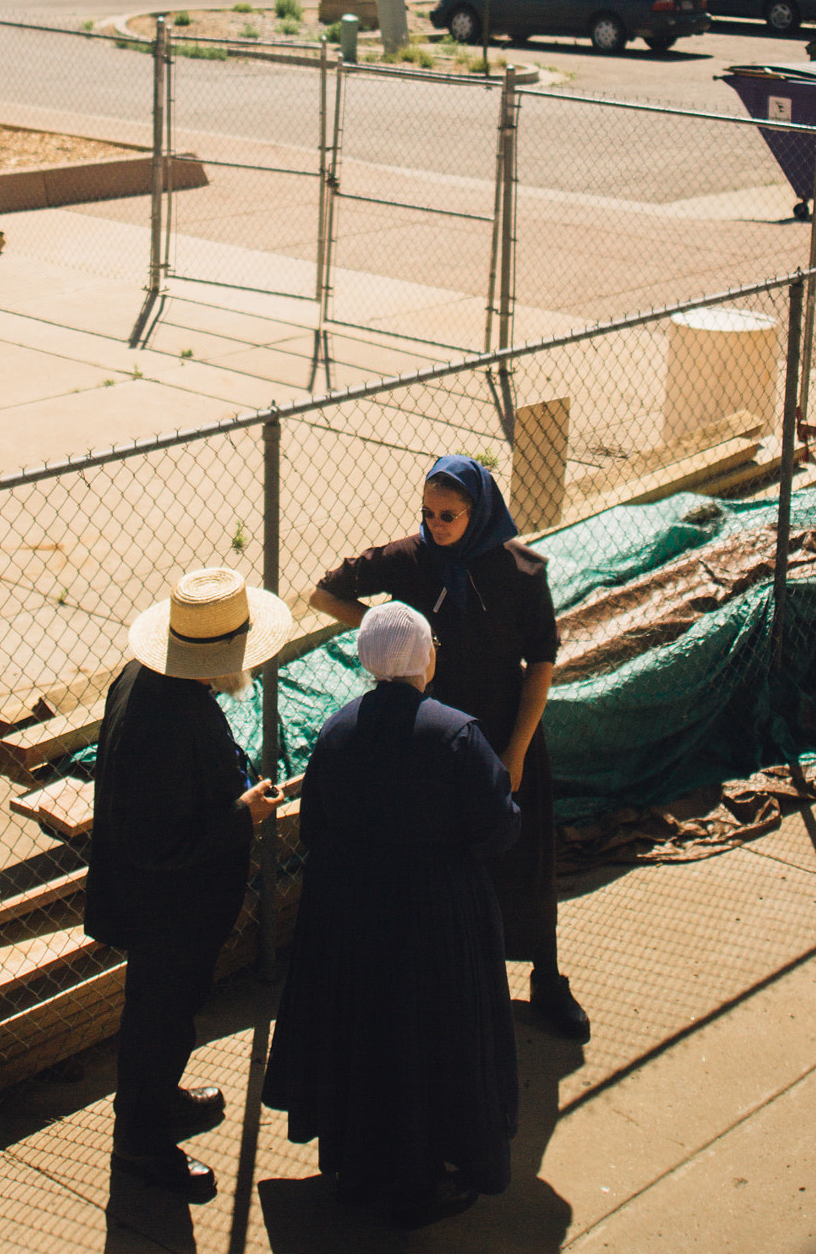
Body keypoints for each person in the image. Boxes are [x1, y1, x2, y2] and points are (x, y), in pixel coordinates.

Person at [309, 453, 589, 1041]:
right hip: (434, 734)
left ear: (479, 511)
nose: (435, 526)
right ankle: (457, 982)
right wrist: (392, 634)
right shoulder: (408, 561)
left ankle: (546, 976)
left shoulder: (522, 570)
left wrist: (514, 752)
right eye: (428, 514)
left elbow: (541, 662)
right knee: (449, 863)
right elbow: (323, 593)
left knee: (526, 857)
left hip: (505, 725)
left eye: (449, 516)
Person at [263, 602, 521, 1226]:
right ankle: (420, 1175)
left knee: (365, 1037)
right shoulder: (456, 733)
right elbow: (497, 829)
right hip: (437, 919)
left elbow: (315, 828)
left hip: (349, 916)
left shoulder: (337, 730)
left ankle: (358, 1164)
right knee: (430, 1040)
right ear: (422, 657)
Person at [85, 564, 292, 1200]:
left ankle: (158, 1102)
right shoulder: (168, 718)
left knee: (165, 1018)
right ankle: (143, 1148)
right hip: (166, 911)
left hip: (159, 905)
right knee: (160, 1021)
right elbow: (162, 842)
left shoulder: (149, 683)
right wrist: (244, 813)